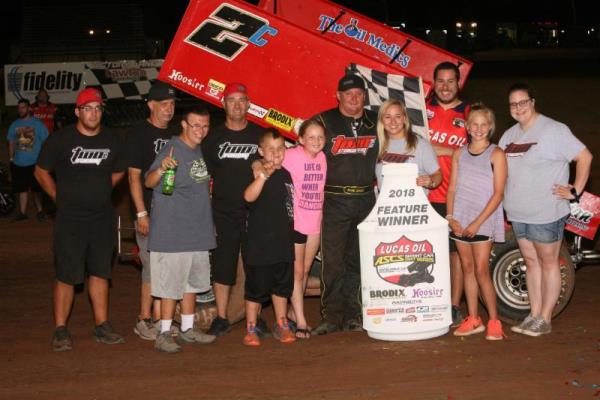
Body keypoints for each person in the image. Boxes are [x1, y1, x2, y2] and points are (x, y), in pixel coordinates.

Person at [35, 87, 126, 352]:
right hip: (70, 220)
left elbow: (119, 170)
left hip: (101, 218)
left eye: (97, 108)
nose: (93, 113)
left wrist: (99, 191)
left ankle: (102, 325)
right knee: (66, 274)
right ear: (77, 111)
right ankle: (61, 329)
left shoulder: (112, 141)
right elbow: (41, 172)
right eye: (87, 108)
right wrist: (59, 198)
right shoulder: (60, 140)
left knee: (100, 271)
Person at [499, 83, 592, 337]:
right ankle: (533, 314)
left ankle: (545, 318)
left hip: (546, 212)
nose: (519, 108)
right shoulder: (508, 136)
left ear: (533, 102)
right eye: (513, 104)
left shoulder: (554, 130)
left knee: (549, 263)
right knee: (531, 262)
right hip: (518, 212)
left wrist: (576, 190)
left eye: (523, 102)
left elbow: (585, 157)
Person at [145, 107, 217, 353]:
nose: (200, 130)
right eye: (195, 125)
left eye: (205, 126)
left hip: (196, 231)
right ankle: (164, 333)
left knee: (191, 284)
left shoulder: (196, 149)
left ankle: (187, 329)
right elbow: (150, 181)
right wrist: (162, 169)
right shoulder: (173, 149)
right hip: (173, 232)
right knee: (170, 286)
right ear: (184, 125)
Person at [311, 74, 378, 335]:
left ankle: (353, 313)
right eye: (348, 94)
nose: (354, 98)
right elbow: (304, 149)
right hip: (334, 200)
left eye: (359, 94)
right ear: (338, 95)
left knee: (358, 261)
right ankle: (330, 316)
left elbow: (400, 142)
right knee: (333, 262)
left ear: (364, 96)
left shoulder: (375, 122)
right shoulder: (323, 121)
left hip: (365, 198)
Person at [201, 82, 265, 337]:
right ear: (223, 103)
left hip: (255, 212)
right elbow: (203, 179)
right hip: (223, 212)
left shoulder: (260, 135)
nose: (237, 105)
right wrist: (207, 216)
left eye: (242, 100)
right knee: (223, 265)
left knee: (256, 265)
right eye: (232, 100)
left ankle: (256, 317)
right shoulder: (213, 139)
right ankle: (222, 316)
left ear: (248, 104)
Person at [446, 103, 507, 340]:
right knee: (467, 268)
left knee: (481, 271)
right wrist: (452, 218)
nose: (479, 129)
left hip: (483, 221)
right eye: (474, 124)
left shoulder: (496, 153)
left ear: (490, 127)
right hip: (460, 220)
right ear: (467, 127)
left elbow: (498, 193)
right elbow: (451, 189)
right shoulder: (459, 153)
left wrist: (477, 224)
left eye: (484, 124)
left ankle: (494, 321)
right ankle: (473, 319)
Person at [127, 81, 179, 341]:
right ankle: (144, 318)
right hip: (149, 211)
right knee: (150, 266)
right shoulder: (139, 133)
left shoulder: (176, 134)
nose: (168, 110)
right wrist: (140, 213)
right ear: (151, 105)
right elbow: (134, 176)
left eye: (171, 105)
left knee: (169, 266)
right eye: (163, 105)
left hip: (172, 213)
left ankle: (162, 318)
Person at [242, 128, 296, 346]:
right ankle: (251, 327)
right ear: (260, 151)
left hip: (283, 241)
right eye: (270, 149)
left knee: (281, 286)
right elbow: (248, 196)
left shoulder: (286, 174)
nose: (276, 153)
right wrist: (263, 175)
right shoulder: (257, 173)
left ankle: (282, 323)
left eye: (280, 148)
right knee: (255, 289)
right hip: (260, 243)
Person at [426, 62, 470, 326]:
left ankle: (454, 306)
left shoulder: (469, 113)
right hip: (424, 195)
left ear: (458, 83)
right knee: (428, 252)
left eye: (450, 81)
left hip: (457, 195)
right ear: (433, 82)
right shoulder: (421, 110)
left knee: (457, 254)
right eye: (440, 81)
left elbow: (474, 152)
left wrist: (439, 149)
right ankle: (430, 301)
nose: (445, 86)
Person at [281, 119, 327, 340]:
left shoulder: (323, 158)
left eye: (320, 137)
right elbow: (266, 159)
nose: (316, 141)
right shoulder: (291, 156)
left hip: (314, 222)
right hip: (296, 222)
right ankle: (301, 320)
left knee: (306, 271)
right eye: (311, 137)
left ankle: (292, 311)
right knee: (297, 273)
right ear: (300, 139)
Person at [375, 98, 441, 194]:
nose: (393, 122)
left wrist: (430, 182)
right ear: (381, 120)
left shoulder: (420, 144)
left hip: (415, 207)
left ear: (404, 119)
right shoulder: (377, 146)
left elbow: (437, 175)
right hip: (385, 207)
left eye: (398, 116)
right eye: (388, 117)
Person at [7, 98, 49, 221]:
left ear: (29, 108)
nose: (20, 110)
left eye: (23, 107)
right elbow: (10, 142)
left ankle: (40, 211)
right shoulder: (14, 124)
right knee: (22, 189)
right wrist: (11, 158)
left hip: (34, 163)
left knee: (36, 190)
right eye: (19, 108)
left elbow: (46, 141)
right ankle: (22, 213)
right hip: (18, 163)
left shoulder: (38, 124)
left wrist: (44, 158)